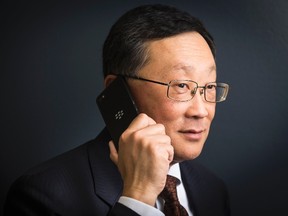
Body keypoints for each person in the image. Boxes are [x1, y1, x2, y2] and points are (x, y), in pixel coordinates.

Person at [4, 4, 230, 216]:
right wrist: (137, 197)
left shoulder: (212, 189)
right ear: (117, 91)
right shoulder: (43, 195)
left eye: (208, 87)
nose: (201, 111)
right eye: (182, 86)